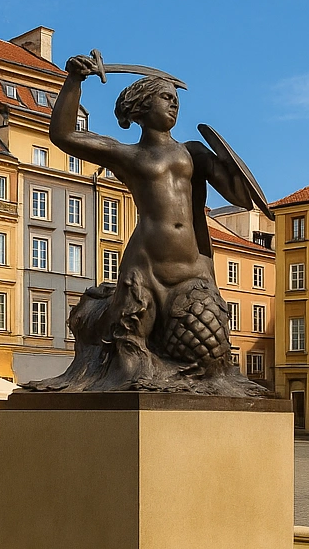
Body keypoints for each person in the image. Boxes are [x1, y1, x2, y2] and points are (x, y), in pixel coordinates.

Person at [25, 54, 267, 395]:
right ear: (140, 106)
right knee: (129, 344)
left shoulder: (193, 153)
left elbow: (241, 196)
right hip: (146, 268)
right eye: (165, 98)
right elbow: (63, 135)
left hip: (193, 270)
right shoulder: (128, 155)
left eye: (176, 100)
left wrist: (228, 161)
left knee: (209, 352)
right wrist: (74, 81)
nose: (174, 105)